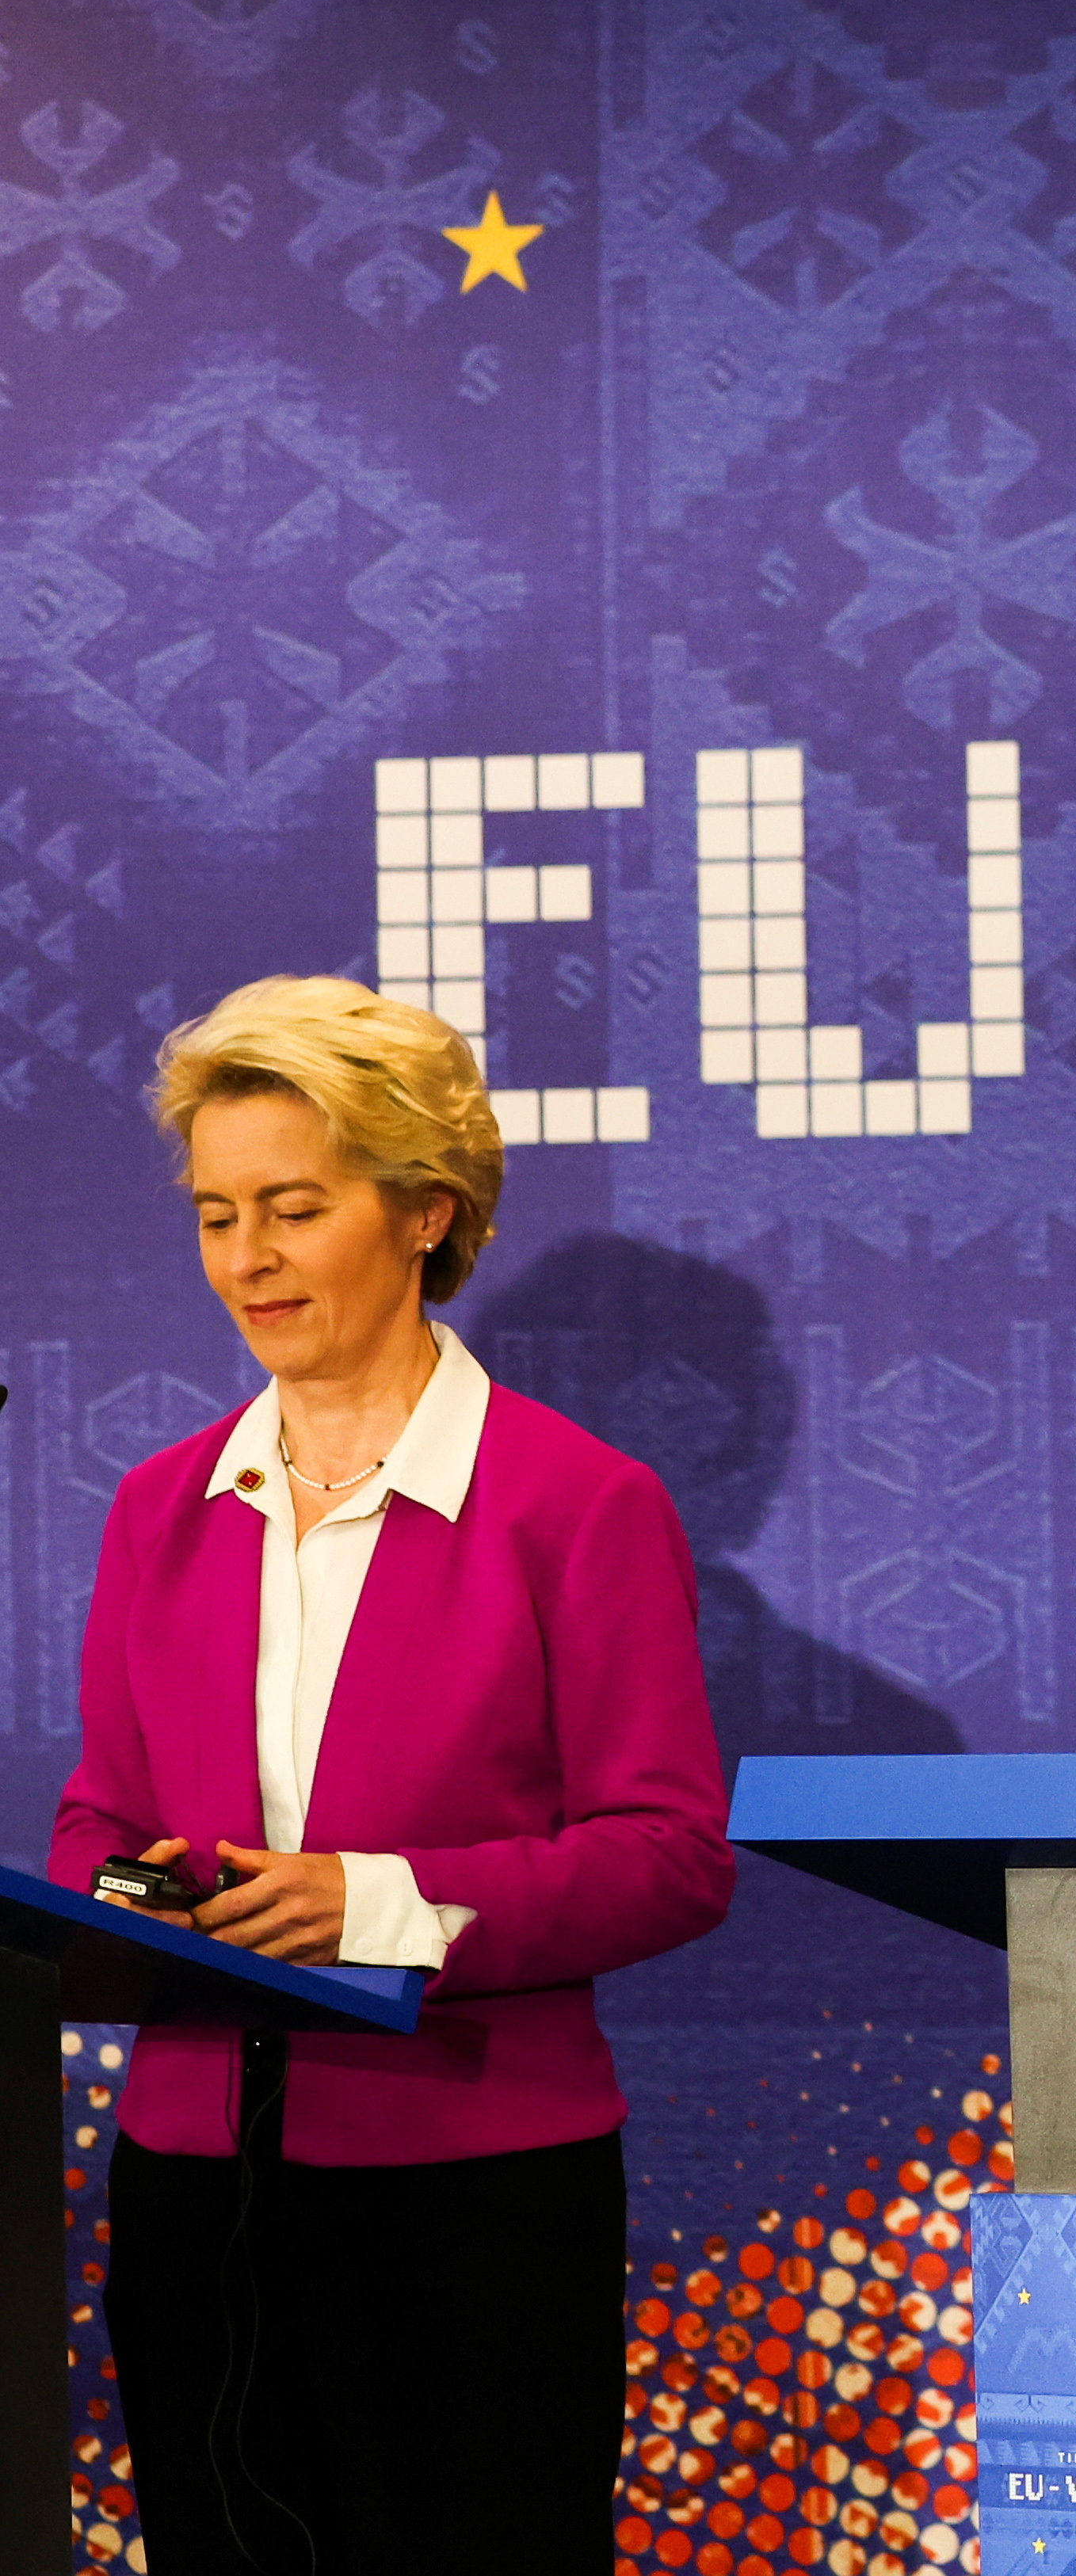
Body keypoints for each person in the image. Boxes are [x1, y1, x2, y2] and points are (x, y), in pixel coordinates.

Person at [55, 975, 738, 2574]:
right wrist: (148, 1897)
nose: (248, 1257)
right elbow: (100, 1817)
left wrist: (373, 1904)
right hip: (191, 2190)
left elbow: (668, 1851)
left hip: (472, 2197)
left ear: (426, 1211)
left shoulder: (579, 1502)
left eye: (294, 1209)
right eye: (218, 1214)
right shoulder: (159, 1505)